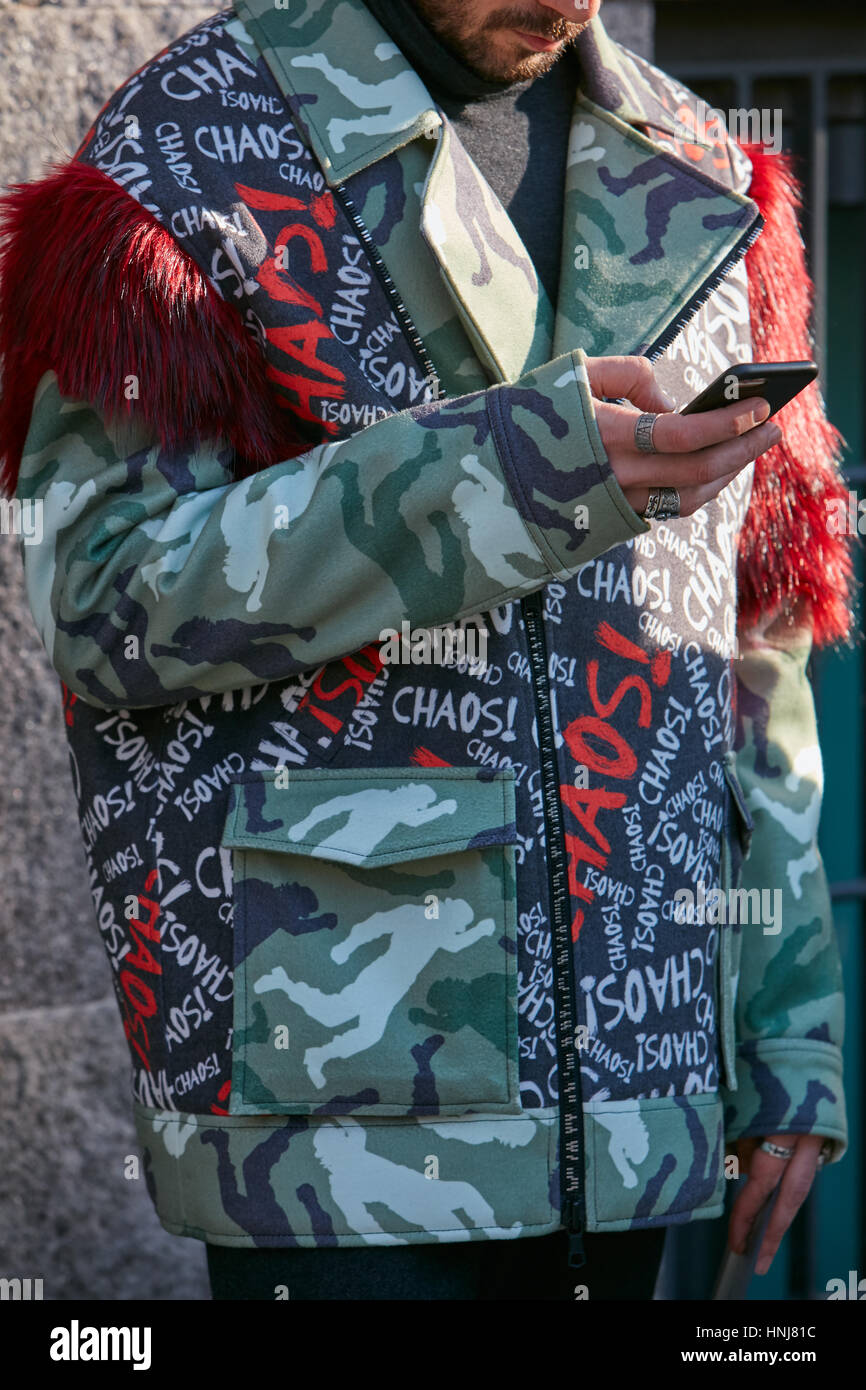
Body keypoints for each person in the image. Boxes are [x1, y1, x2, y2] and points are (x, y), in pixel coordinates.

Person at [0, 0, 853, 1301]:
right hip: (340, 1122)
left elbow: (756, 632)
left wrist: (789, 1023)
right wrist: (514, 475)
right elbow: (104, 595)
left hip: (646, 1106)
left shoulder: (711, 167)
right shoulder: (189, 143)